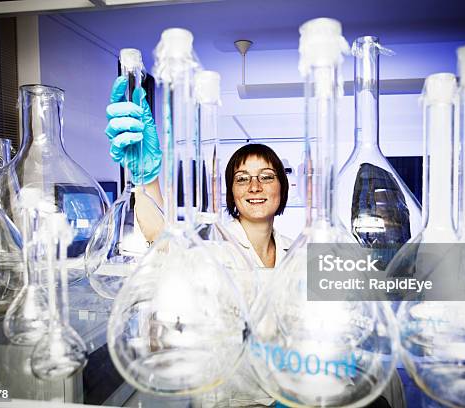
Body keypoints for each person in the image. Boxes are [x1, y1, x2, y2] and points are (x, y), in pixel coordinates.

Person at [105, 76, 405, 407]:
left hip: (293, 396)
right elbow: (160, 238)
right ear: (232, 193)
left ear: (282, 189)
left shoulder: (301, 253)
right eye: (242, 179)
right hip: (234, 401)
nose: (255, 187)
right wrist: (145, 180)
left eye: (266, 177)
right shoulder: (212, 250)